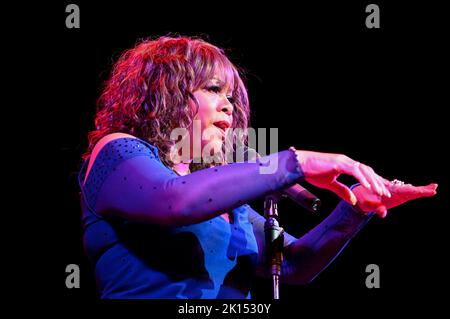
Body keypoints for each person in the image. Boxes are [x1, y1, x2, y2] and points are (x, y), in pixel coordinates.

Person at [78, 36, 437, 299]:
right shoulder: (117, 153)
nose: (228, 107)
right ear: (165, 93)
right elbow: (173, 201)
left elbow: (293, 264)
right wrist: (295, 161)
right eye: (215, 89)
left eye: (232, 97)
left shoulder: (224, 202)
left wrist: (356, 206)